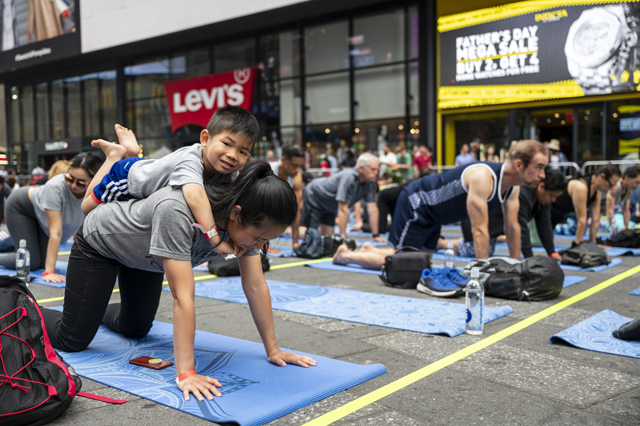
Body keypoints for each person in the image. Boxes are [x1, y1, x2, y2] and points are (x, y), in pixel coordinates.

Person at [42, 160, 316, 402]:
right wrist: (186, 373)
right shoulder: (178, 211)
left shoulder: (252, 221)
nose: (258, 246)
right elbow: (183, 296)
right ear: (236, 213)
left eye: (265, 242)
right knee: (73, 338)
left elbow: (255, 285)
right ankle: (28, 306)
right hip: (101, 242)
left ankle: (91, 307)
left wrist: (273, 349)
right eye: (258, 239)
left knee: (135, 329)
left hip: (145, 257)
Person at [332, 140, 549, 273]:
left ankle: (370, 250)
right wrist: (484, 275)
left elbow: (513, 228)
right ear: (519, 165)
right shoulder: (483, 177)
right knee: (403, 263)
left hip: (435, 216)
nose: (542, 175)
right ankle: (345, 255)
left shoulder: (513, 187)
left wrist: (514, 266)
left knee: (422, 263)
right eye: (539, 168)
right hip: (417, 203)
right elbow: (478, 230)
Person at [82, 105, 258, 258]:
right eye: (227, 144)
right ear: (205, 138)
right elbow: (196, 197)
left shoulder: (231, 173)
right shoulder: (190, 159)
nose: (233, 155)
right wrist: (216, 240)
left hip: (152, 171)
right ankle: (114, 156)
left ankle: (131, 152)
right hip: (128, 177)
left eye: (243, 152)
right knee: (86, 207)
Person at [0, 153, 103, 283]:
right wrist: (49, 272)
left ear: (94, 181)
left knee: (41, 262)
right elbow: (56, 232)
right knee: (31, 262)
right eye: (70, 179)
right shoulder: (55, 187)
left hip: (41, 214)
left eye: (81, 183)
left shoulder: (97, 190)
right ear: (67, 172)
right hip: (21, 208)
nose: (74, 185)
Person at [455, 167, 567, 260]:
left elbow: (544, 224)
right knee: (471, 250)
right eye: (552, 196)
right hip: (476, 221)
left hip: (494, 229)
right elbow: (521, 227)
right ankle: (442, 243)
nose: (553, 200)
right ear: (541, 187)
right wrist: (530, 258)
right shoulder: (523, 192)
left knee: (488, 249)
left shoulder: (543, 199)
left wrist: (552, 252)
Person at [301, 153, 385, 242]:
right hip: (315, 196)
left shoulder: (370, 182)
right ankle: (288, 231)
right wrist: (343, 239)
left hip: (330, 206)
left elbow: (372, 209)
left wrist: (376, 235)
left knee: (327, 239)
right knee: (310, 236)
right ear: (361, 168)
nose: (376, 173)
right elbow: (343, 209)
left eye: (377, 170)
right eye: (372, 169)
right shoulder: (349, 177)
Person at [551, 165, 621, 244]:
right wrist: (578, 245)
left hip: (552, 221)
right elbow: (581, 220)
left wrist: (593, 243)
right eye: (611, 185)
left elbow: (595, 220)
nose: (611, 188)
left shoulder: (596, 193)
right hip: (541, 217)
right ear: (602, 177)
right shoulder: (580, 187)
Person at [270, 144, 305, 249]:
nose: (297, 170)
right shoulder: (268, 171)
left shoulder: (297, 178)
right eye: (294, 165)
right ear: (283, 160)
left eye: (300, 166)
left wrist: (295, 243)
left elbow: (296, 210)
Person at [606, 166, 640, 233]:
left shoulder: (629, 189)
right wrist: (613, 231)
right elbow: (610, 211)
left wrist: (627, 230)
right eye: (636, 182)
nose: (638, 185)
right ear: (627, 177)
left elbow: (626, 210)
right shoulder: (615, 187)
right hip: (602, 214)